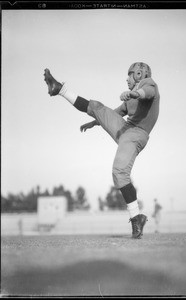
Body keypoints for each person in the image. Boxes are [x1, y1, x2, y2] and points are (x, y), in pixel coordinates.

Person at [43, 62, 160, 239]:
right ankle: (60, 90)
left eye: (129, 75)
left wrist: (135, 92)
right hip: (126, 128)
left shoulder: (148, 84)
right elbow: (114, 113)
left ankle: (136, 218)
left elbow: (148, 93)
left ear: (138, 74)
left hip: (137, 133)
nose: (126, 78)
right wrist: (95, 121)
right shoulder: (130, 98)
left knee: (119, 172)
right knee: (97, 106)